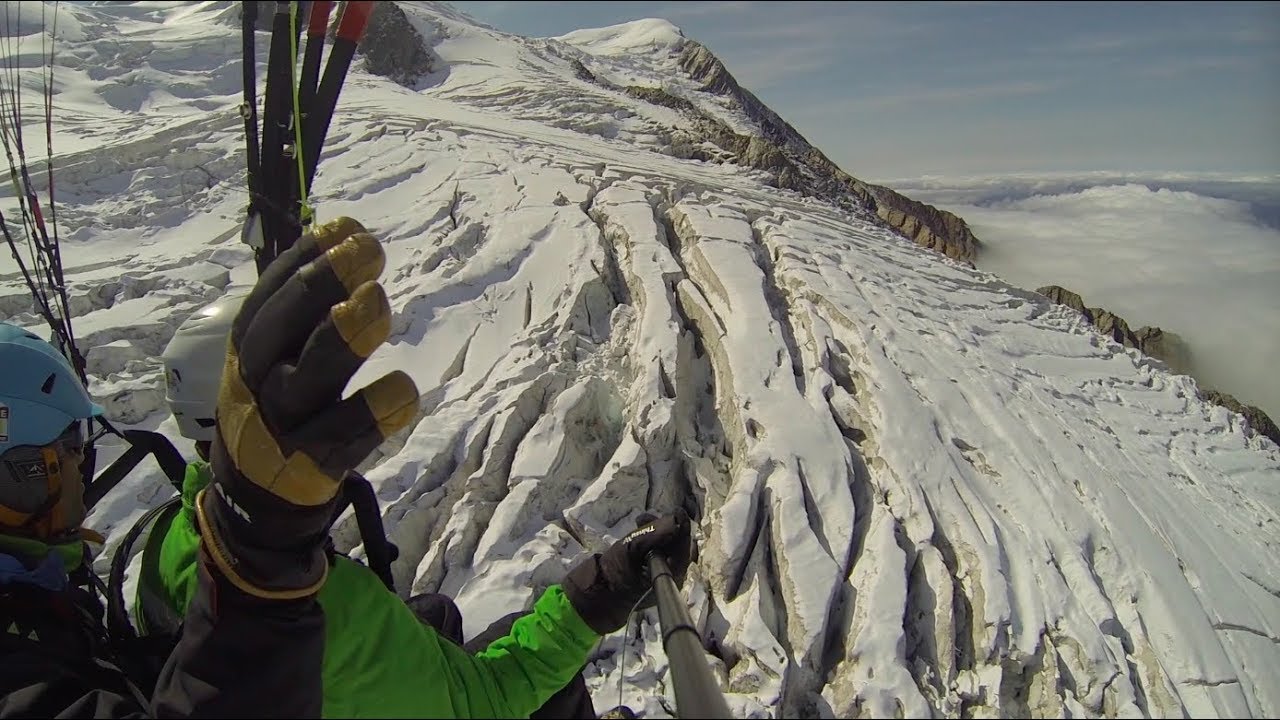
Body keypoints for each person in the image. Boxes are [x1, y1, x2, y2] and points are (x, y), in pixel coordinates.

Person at [137, 216, 694, 717]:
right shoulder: (323, 609)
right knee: (551, 690)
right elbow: (484, 700)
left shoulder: (173, 542)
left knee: (437, 616)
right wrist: (603, 589)